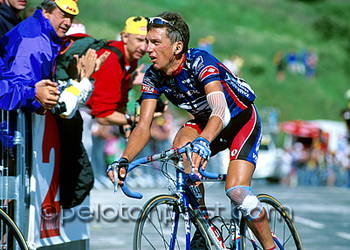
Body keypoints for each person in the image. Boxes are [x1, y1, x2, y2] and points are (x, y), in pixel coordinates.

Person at [108, 11, 276, 250]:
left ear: (177, 47)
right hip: (206, 123)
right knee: (180, 149)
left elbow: (221, 110)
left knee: (237, 192)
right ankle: (204, 227)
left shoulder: (199, 62)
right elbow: (144, 126)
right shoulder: (153, 76)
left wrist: (205, 141)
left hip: (240, 121)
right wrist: (124, 160)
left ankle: (270, 247)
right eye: (147, 41)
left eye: (156, 43)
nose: (149, 49)